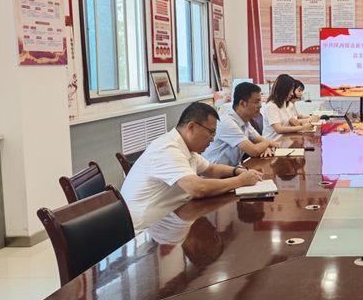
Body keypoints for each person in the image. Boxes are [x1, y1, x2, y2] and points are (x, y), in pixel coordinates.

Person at [121, 102, 262, 232]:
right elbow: (198, 188)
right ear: (191, 127)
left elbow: (211, 169)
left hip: (172, 219)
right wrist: (240, 181)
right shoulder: (167, 150)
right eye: (211, 132)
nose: (212, 138)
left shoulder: (187, 148)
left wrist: (237, 171)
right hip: (145, 232)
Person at [202, 82, 279, 166]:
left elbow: (260, 140)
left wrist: (266, 147)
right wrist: (267, 144)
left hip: (232, 169)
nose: (260, 106)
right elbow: (254, 151)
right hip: (215, 172)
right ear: (242, 103)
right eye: (256, 102)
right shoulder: (228, 123)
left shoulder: (245, 122)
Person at [262, 74, 313, 140]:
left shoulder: (284, 104)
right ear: (283, 89)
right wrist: (303, 128)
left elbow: (292, 121)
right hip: (274, 142)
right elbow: (279, 129)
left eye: (292, 90)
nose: (292, 94)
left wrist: (298, 123)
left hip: (285, 139)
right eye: (290, 90)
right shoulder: (271, 106)